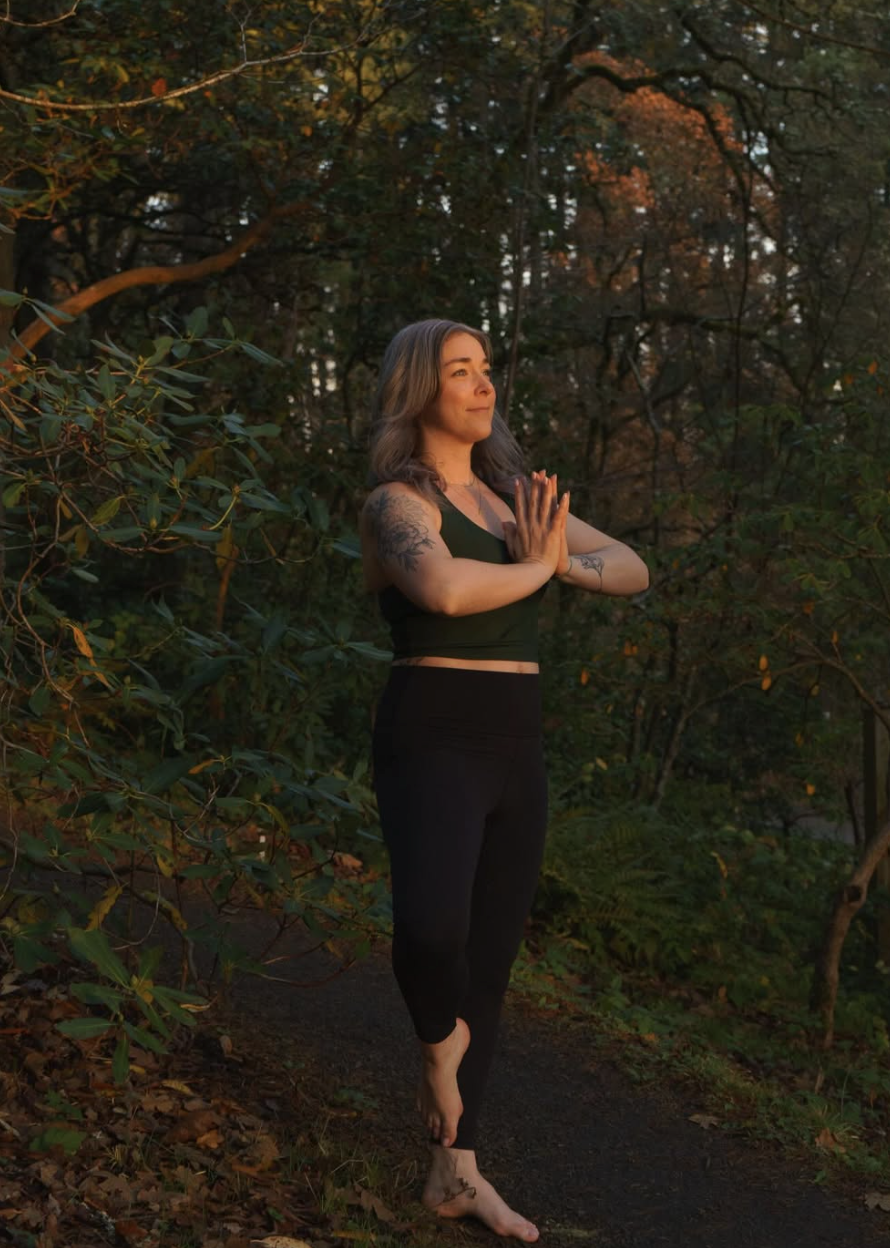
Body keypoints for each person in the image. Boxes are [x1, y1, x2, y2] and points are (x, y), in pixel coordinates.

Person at [360, 319, 649, 1242]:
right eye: (460, 371)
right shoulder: (395, 505)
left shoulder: (515, 495)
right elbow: (442, 593)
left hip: (517, 743)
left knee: (490, 961)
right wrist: (539, 565)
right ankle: (437, 1045)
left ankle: (458, 1172)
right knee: (431, 925)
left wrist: (554, 558)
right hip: (433, 730)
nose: (484, 386)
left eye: (486, 369)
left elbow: (634, 567)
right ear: (419, 390)